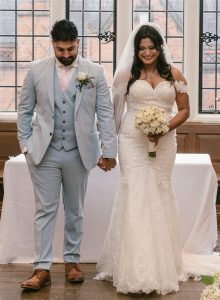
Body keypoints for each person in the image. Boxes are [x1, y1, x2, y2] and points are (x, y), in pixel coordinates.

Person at [95, 22, 220, 295]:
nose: (147, 53)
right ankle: (132, 267)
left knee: (159, 194)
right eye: (142, 49)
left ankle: (162, 265)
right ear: (136, 50)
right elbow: (114, 115)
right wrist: (107, 150)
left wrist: (164, 128)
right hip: (131, 142)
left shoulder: (174, 74)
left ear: (159, 48)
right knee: (135, 194)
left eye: (151, 48)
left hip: (164, 145)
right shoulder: (126, 75)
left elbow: (185, 110)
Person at [17, 19, 117, 290]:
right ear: (53, 45)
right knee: (45, 210)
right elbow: (24, 110)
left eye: (70, 49)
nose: (65, 54)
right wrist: (25, 145)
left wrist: (109, 150)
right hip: (44, 153)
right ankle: (42, 268)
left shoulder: (94, 72)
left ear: (77, 43)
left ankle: (72, 262)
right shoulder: (36, 70)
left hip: (79, 152)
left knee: (75, 210)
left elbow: (105, 114)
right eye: (60, 49)